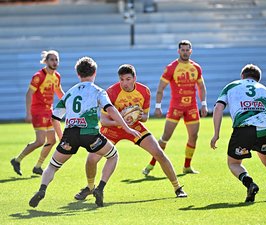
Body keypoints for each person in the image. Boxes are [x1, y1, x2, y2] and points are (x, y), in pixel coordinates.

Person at [29, 57, 140, 208]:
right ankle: (99, 188)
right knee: (113, 156)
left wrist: (61, 137)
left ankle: (42, 189)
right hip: (91, 135)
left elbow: (55, 117)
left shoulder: (70, 92)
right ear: (94, 73)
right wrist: (127, 128)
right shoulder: (98, 91)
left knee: (52, 166)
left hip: (70, 135)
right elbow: (111, 109)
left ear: (78, 74)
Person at [74, 64, 187, 201]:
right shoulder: (111, 92)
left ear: (134, 78)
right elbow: (103, 121)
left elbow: (145, 117)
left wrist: (137, 117)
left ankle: (177, 187)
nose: (124, 83)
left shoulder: (144, 91)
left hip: (134, 127)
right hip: (112, 128)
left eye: (128, 79)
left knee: (159, 153)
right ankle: (90, 187)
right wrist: (122, 122)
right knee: (91, 159)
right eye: (121, 79)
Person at [210, 64, 266, 202]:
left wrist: (216, 134)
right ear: (257, 79)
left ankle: (250, 184)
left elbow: (218, 108)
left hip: (243, 130)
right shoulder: (265, 90)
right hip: (263, 131)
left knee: (234, 163)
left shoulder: (231, 86)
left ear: (242, 76)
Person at [142, 40, 208, 175]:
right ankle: (150, 165)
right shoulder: (171, 67)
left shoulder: (196, 67)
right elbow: (160, 88)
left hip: (192, 107)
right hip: (175, 107)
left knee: (194, 136)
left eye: (187, 50)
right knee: (165, 137)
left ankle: (187, 166)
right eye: (182, 50)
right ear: (178, 51)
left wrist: (204, 104)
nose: (185, 52)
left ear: (191, 51)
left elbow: (201, 87)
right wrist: (158, 106)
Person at [10, 50, 65, 176]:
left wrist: (69, 101)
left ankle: (38, 166)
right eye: (52, 59)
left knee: (52, 140)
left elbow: (59, 91)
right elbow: (29, 93)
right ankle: (17, 160)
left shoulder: (57, 76)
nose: (55, 62)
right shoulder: (39, 76)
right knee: (40, 141)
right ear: (45, 61)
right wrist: (28, 113)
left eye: (56, 59)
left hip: (49, 111)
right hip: (38, 111)